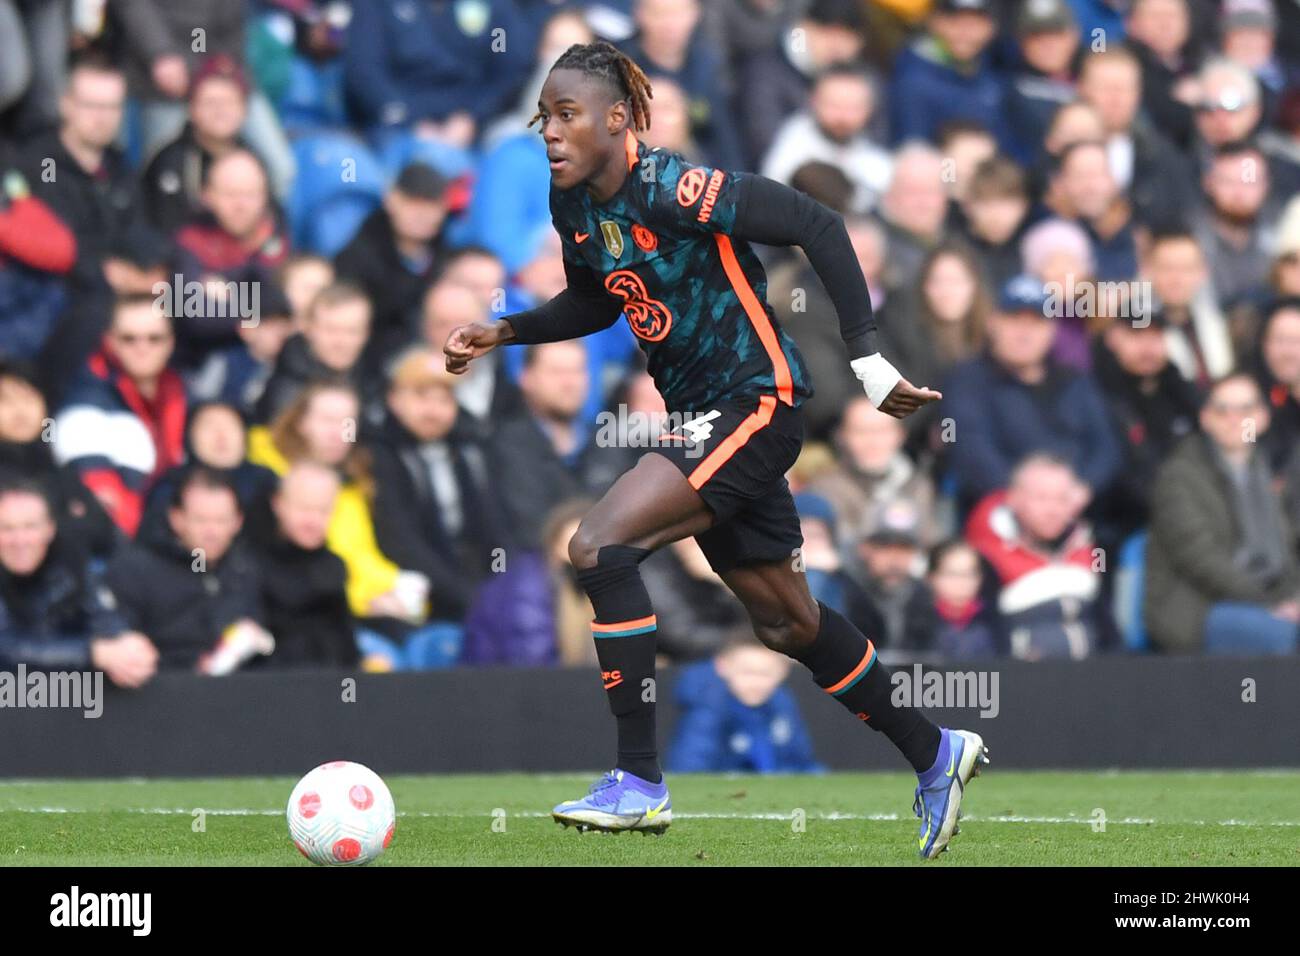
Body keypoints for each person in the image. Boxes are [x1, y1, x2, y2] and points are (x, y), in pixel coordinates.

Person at [443, 41, 986, 857]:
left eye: (567, 115)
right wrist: (508, 330)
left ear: (619, 119)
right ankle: (935, 751)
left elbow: (816, 222)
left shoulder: (674, 187)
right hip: (706, 415)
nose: (550, 133)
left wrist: (868, 358)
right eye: (544, 118)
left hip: (756, 401)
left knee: (598, 545)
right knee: (786, 622)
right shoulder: (575, 205)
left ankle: (638, 783)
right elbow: (599, 297)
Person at [1145, 372, 1300, 654]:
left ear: (1263, 417)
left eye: (1246, 409)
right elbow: (1202, 561)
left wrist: (1293, 598)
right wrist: (1272, 602)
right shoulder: (1179, 475)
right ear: (1205, 418)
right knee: (1285, 636)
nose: (1234, 418)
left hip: (1266, 597)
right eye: (1222, 409)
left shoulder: (1268, 473)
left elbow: (1290, 547)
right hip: (1199, 608)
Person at [103, 467, 271, 671]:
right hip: (160, 693)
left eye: (221, 520)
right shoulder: (136, 570)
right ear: (176, 519)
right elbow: (119, 644)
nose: (212, 532)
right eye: (201, 520)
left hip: (238, 693)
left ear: (238, 522)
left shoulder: (246, 568)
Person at [0, 478, 157, 687]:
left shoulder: (70, 563)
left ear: (50, 529)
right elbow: (8, 649)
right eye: (6, 528)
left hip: (57, 701)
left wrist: (126, 647)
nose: (20, 540)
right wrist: (92, 653)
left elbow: (100, 615)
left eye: (30, 526)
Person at [53, 294, 188, 537]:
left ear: (171, 342)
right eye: (129, 339)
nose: (142, 348)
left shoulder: (180, 393)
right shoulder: (84, 407)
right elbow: (108, 510)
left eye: (154, 338)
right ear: (109, 342)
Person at [245, 462, 359, 669]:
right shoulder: (247, 563)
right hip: (274, 688)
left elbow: (347, 644)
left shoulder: (334, 567)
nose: (313, 520)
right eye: (304, 508)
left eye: (324, 511)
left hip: (333, 688)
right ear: (278, 503)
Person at [667, 631, 822, 773]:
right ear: (722, 667)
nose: (755, 682)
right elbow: (689, 767)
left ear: (783, 671)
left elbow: (802, 762)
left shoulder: (781, 701)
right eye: (747, 672)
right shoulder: (709, 704)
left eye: (765, 674)